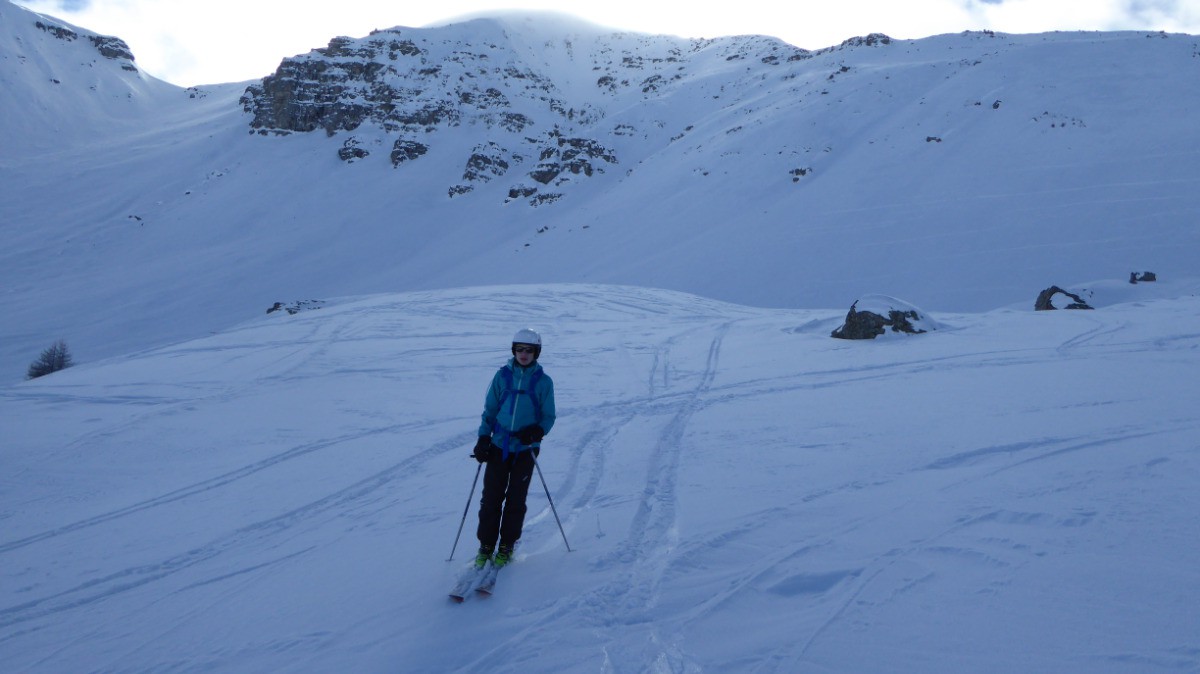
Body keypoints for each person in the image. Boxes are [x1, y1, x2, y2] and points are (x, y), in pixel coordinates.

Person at [472, 328, 556, 569]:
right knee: (490, 499)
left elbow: (549, 416)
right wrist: (482, 439)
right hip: (499, 446)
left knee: (515, 500)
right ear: (514, 350)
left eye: (529, 350)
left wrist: (537, 432)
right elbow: (489, 411)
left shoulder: (543, 382)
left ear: (536, 353)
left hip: (526, 449)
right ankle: (486, 545)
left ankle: (507, 545)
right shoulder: (502, 377)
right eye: (520, 349)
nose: (524, 354)